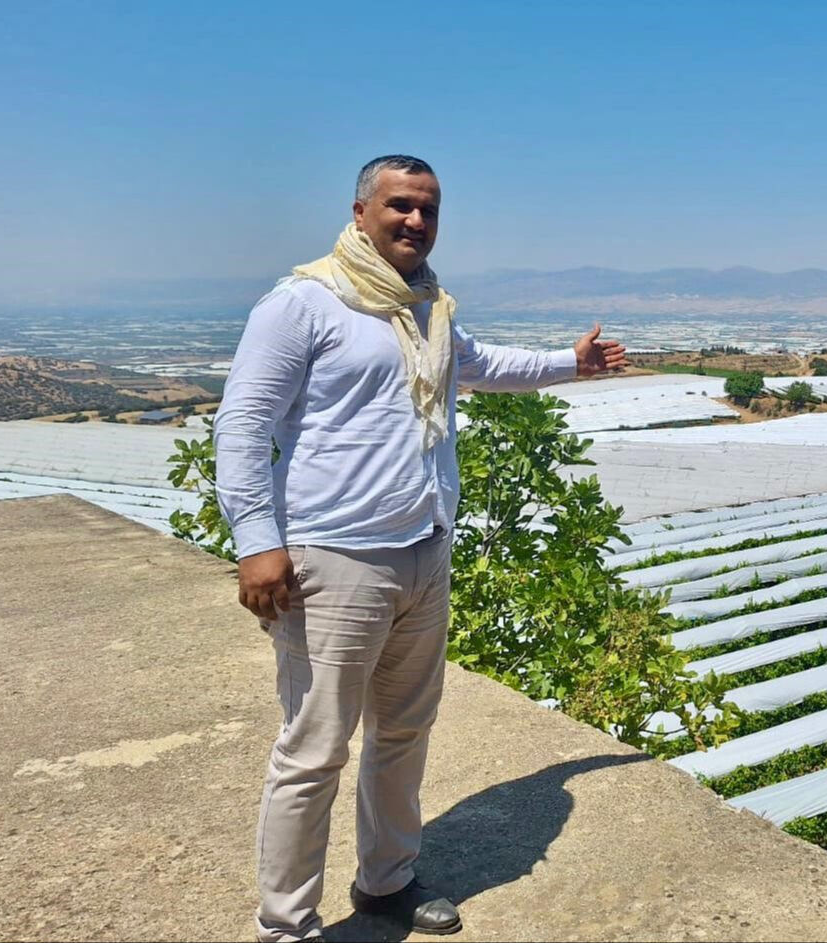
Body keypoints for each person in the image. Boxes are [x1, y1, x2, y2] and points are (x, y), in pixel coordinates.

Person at [215, 154, 629, 941]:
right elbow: (241, 425)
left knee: (404, 731)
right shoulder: (304, 302)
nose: (415, 221)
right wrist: (256, 541)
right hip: (333, 558)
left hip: (421, 550)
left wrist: (569, 364)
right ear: (361, 211)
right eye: (400, 206)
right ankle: (286, 923)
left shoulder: (425, 306)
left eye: (428, 209)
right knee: (314, 751)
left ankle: (387, 881)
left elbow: (474, 366)